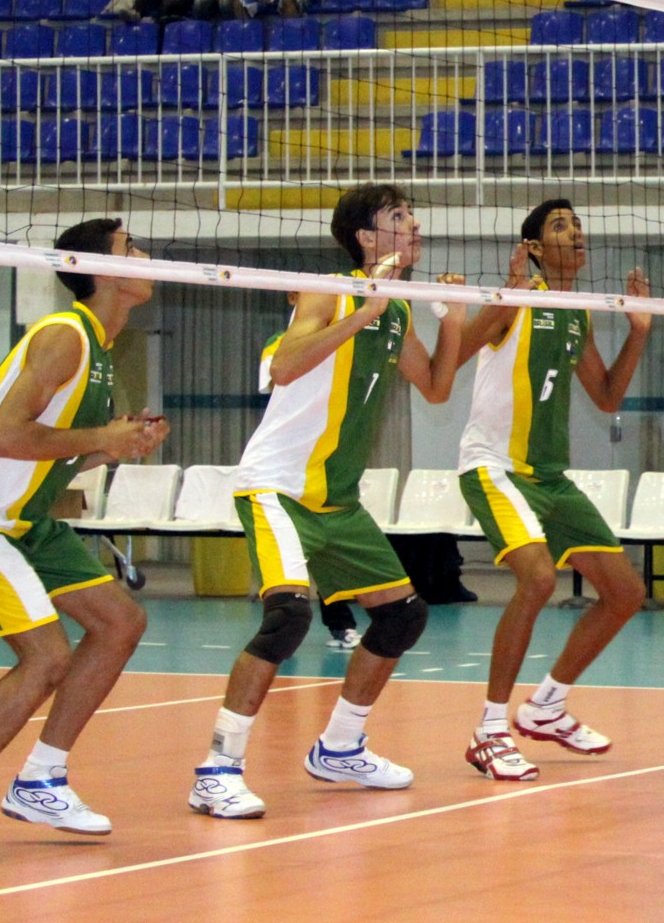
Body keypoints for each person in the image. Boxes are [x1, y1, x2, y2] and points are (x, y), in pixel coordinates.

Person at [189, 184, 466, 820]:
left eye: (412, 215)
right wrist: (362, 311)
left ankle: (340, 747)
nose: (414, 225)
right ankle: (218, 768)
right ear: (367, 239)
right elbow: (285, 367)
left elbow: (435, 387)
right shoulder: (328, 289)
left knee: (402, 617)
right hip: (277, 488)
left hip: (337, 502)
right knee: (287, 618)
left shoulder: (396, 307)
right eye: (399, 218)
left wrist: (451, 319)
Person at [0, 220, 166, 862]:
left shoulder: (102, 347)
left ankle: (41, 778)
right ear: (100, 269)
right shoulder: (64, 336)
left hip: (23, 517)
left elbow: (54, 453)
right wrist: (101, 438)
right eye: (131, 247)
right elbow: (4, 438)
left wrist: (116, 444)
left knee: (118, 622)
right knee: (45, 657)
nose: (147, 256)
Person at [454, 199, 651, 782]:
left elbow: (608, 397)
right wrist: (505, 295)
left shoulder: (576, 312)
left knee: (624, 592)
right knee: (538, 578)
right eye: (561, 226)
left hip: (549, 475)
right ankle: (489, 730)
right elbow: (457, 355)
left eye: (578, 224)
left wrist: (638, 331)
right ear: (536, 248)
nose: (577, 233)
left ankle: (545, 706)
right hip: (494, 467)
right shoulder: (515, 300)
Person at [256, 294, 362, 651]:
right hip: (287, 468)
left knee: (325, 555)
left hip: (325, 467)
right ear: (291, 296)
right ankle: (285, 623)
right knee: (295, 563)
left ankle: (340, 623)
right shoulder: (280, 344)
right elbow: (278, 380)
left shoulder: (349, 331)